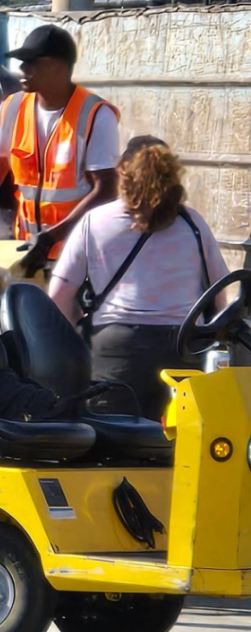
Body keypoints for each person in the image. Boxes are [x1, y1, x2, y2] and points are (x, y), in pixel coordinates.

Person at [49, 136, 229, 421]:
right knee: (177, 444)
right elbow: (221, 294)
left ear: (122, 171)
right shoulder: (193, 224)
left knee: (112, 439)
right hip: (182, 351)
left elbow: (59, 296)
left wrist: (74, 338)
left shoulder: (95, 222)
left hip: (115, 350)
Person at [0, 25, 120, 276]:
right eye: (22, 62)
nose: (23, 69)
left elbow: (106, 190)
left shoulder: (96, 115)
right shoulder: (12, 108)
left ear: (59, 67)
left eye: (32, 62)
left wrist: (51, 237)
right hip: (26, 255)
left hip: (80, 260)